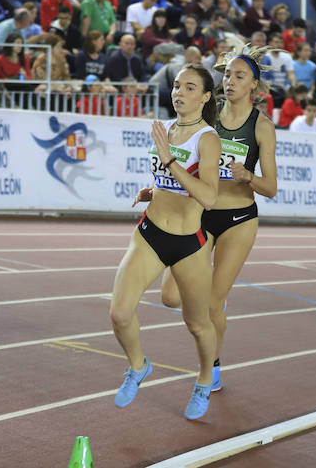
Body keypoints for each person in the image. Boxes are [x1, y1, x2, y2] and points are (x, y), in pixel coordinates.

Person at [158, 46, 278, 395]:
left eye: (239, 77)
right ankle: (216, 298)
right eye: (227, 75)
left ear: (254, 85)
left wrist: (247, 176)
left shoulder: (262, 127)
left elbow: (270, 187)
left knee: (209, 307)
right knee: (169, 297)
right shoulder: (205, 120)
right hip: (199, 214)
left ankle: (210, 367)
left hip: (238, 219)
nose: (230, 82)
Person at [111, 64, 220, 420]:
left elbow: (207, 197)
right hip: (151, 232)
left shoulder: (207, 139)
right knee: (120, 312)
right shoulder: (167, 129)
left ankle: (204, 380)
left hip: (189, 242)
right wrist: (152, 190)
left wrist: (169, 159)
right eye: (176, 86)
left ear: (205, 97)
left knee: (197, 323)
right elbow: (168, 178)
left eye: (189, 87)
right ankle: (138, 366)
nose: (179, 92)